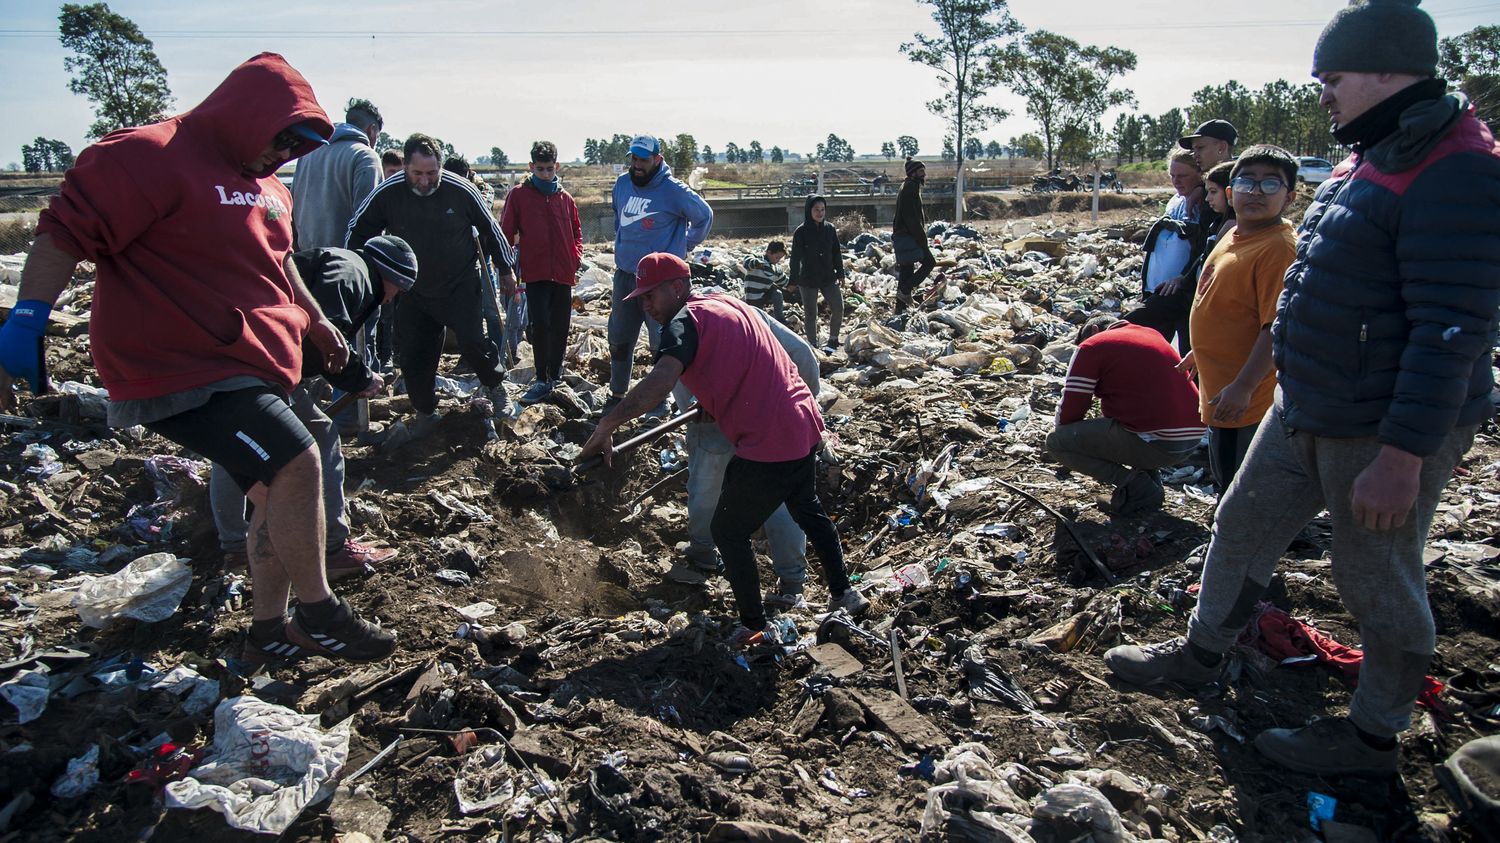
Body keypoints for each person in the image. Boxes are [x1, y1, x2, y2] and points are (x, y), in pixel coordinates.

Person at [1105, 0, 1500, 778]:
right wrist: (1245, 372)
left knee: (1377, 578)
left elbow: (1451, 327)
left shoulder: (1456, 167)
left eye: (1334, 76)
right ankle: (1200, 649)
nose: (1322, 91)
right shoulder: (1370, 152)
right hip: (1305, 404)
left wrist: (1402, 454)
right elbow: (1312, 291)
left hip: (1378, 421)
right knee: (1241, 522)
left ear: (1390, 70)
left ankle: (1371, 737)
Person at [0, 53, 396, 663]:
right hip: (179, 364)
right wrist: (28, 318)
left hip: (255, 363)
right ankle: (321, 612)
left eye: (297, 146)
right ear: (247, 115)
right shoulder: (149, 154)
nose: (283, 154)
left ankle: (269, 630)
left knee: (277, 486)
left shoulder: (267, 188)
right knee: (298, 459)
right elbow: (63, 229)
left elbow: (280, 259)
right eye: (281, 138)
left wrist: (315, 322)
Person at [580, 253, 869, 644]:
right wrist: (714, 404)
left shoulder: (682, 323)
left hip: (769, 439)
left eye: (651, 296)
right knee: (808, 511)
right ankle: (845, 593)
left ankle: (754, 626)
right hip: (802, 423)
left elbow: (660, 382)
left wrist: (608, 423)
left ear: (677, 288)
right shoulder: (728, 304)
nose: (646, 306)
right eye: (641, 298)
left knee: (727, 531)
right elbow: (755, 361)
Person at [210, 237, 416, 578]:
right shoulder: (352, 272)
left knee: (233, 445)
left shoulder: (342, 264)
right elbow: (327, 330)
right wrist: (361, 379)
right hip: (264, 360)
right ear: (392, 277)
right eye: (399, 288)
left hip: (240, 349)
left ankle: (234, 546)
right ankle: (334, 547)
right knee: (321, 436)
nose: (394, 296)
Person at [346, 132, 517, 438]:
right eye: (417, 174)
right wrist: (362, 275)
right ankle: (426, 411)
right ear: (406, 168)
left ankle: (495, 385)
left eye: (431, 173)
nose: (425, 181)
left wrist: (506, 269)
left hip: (458, 285)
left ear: (440, 167)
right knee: (413, 359)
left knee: (473, 342)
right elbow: (357, 232)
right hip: (413, 291)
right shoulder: (389, 193)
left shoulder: (460, 191)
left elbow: (491, 230)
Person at [1179, 145, 1299, 492]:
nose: (1256, 192)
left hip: (1249, 397)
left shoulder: (1277, 248)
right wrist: (1199, 352)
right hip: (1222, 387)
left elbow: (1276, 327)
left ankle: (1238, 544)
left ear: (1289, 197)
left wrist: (1244, 387)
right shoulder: (1234, 233)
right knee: (1226, 475)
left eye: (1270, 184)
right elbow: (1218, 298)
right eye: (1247, 183)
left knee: (1246, 488)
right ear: (1231, 194)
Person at [1046, 315, 1206, 516]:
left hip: (1158, 441)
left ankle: (1137, 487)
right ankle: (1151, 488)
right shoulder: (1150, 334)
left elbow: (1072, 405)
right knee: (1129, 426)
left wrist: (1069, 438)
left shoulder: (1092, 346)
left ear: (1095, 330)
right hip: (1192, 439)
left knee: (1055, 442)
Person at [604, 135, 713, 413]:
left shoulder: (673, 190)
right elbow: (619, 220)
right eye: (634, 159)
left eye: (644, 159)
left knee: (662, 340)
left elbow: (704, 216)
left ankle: (660, 401)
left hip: (660, 283)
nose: (638, 165)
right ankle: (617, 394)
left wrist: (686, 245)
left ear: (657, 160)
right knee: (619, 335)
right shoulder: (622, 185)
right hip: (627, 274)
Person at [501, 141, 583, 405]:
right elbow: (506, 231)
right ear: (531, 167)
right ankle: (540, 377)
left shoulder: (565, 199)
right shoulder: (519, 195)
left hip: (563, 272)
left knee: (560, 325)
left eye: (549, 169)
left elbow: (577, 233)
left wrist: (576, 257)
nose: (545, 174)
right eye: (540, 169)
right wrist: (506, 266)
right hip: (536, 272)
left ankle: (555, 375)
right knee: (540, 325)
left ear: (557, 166)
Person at [1122, 148, 1202, 353]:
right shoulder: (1175, 201)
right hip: (1158, 286)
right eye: (1172, 175)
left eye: (1183, 175)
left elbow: (1202, 250)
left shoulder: (1204, 204)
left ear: (1200, 173)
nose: (1176, 181)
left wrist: (1182, 278)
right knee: (1150, 350)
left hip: (1181, 292)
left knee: (1186, 354)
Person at [290, 97, 383, 250]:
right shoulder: (365, 156)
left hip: (304, 258)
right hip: (344, 262)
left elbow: (292, 207)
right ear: (371, 130)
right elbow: (368, 220)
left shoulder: (308, 153)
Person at [790, 195, 846, 351]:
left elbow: (836, 253)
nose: (820, 213)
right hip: (808, 278)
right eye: (816, 210)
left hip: (828, 276)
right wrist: (793, 281)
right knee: (811, 314)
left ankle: (833, 341)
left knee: (838, 307)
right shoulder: (801, 232)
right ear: (809, 211)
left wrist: (841, 273)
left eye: (822, 210)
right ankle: (813, 345)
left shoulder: (830, 229)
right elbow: (795, 259)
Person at [892, 157, 934, 314]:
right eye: (921, 171)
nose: (924, 174)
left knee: (906, 270)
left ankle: (900, 308)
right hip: (909, 236)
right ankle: (905, 290)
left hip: (904, 235)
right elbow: (911, 219)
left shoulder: (909, 185)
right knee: (929, 262)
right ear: (913, 173)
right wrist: (922, 240)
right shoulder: (910, 187)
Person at [741, 240, 789, 325]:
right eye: (776, 257)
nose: (778, 260)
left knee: (777, 293)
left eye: (780, 258)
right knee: (757, 319)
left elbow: (784, 281)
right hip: (753, 297)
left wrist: (796, 284)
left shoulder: (776, 268)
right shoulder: (758, 258)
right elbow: (746, 261)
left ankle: (780, 319)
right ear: (769, 252)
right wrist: (756, 263)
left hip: (764, 295)